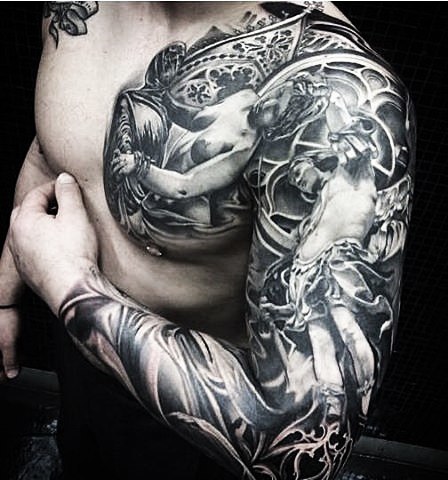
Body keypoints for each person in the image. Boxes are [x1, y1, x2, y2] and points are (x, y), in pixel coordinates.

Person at [1, 2, 416, 479]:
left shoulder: (337, 102)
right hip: (78, 352)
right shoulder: (76, 10)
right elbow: (52, 151)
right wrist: (7, 295)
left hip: (196, 411)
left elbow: (305, 446)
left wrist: (68, 286)